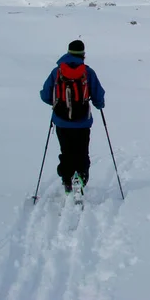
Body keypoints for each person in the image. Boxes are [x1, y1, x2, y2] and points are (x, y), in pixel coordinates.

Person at [40, 40, 105, 193]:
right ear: (83, 54)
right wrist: (99, 104)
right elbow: (98, 94)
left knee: (66, 150)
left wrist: (57, 103)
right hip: (82, 121)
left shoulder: (56, 72)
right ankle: (81, 177)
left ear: (68, 52)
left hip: (61, 121)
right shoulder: (88, 72)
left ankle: (67, 179)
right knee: (82, 150)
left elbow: (45, 95)